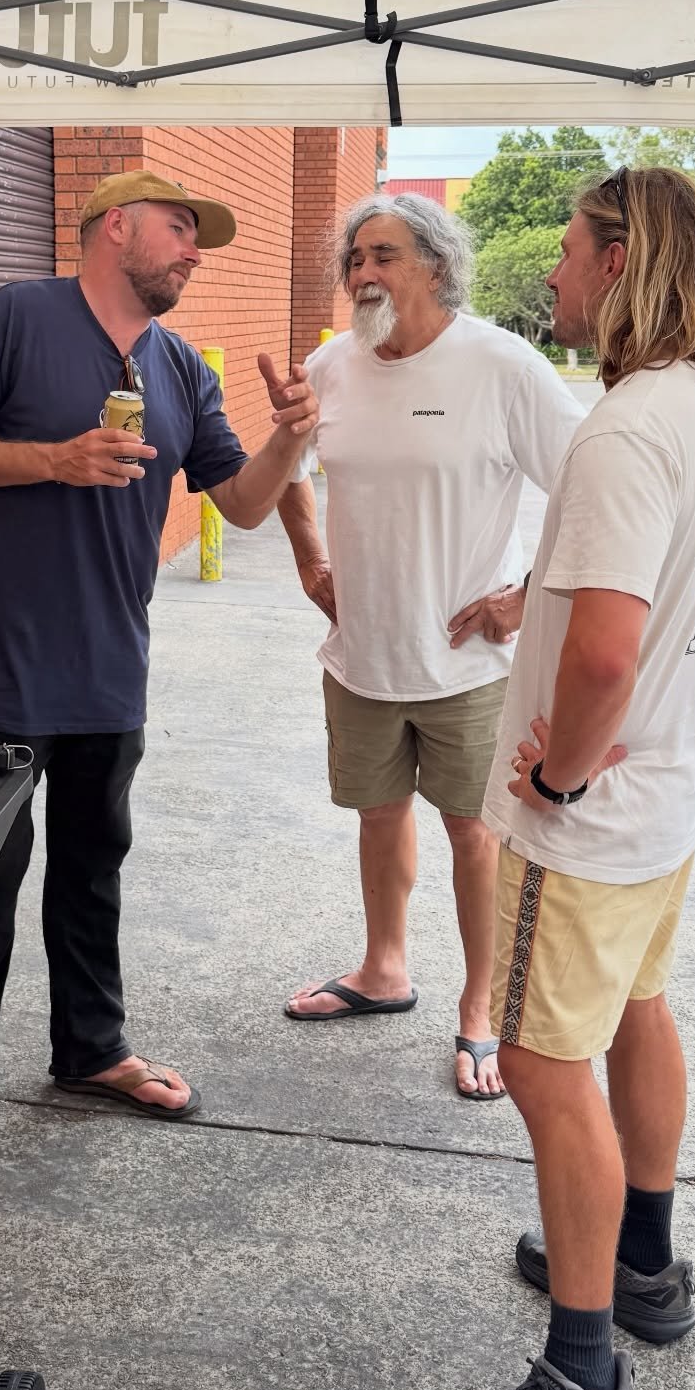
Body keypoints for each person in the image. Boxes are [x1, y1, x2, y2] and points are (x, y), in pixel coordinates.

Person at [0, 169, 319, 1135]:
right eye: (179, 227)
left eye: (197, 236)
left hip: (110, 662)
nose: (194, 250)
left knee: (92, 864)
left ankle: (92, 1047)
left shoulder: (179, 369)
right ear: (114, 226)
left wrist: (292, 441)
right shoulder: (15, 315)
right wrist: (54, 457)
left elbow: (241, 502)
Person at [442, 166, 695, 1390]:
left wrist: (555, 780)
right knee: (639, 1009)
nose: (554, 277)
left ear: (625, 264)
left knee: (540, 1061)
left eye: (569, 254)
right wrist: (530, 617)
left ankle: (586, 1382)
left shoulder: (622, 430)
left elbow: (613, 649)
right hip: (672, 797)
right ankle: (646, 1266)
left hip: (596, 819)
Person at [278, 192, 582, 1098]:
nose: (363, 274)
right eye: (355, 259)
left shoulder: (501, 364)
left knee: (474, 832)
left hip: (467, 664)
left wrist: (523, 600)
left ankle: (480, 1009)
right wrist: (310, 558)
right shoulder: (331, 366)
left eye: (385, 256)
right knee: (378, 816)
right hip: (362, 654)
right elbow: (290, 471)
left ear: (439, 265)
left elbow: (590, 488)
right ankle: (384, 969)